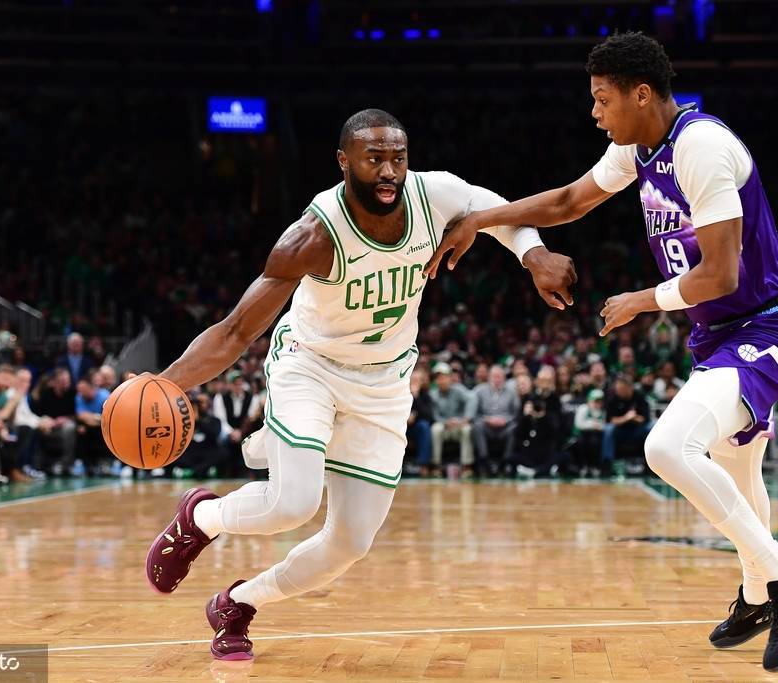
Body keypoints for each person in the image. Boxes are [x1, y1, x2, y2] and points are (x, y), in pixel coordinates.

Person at [425, 33, 778, 673]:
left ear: (641, 94)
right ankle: (757, 594)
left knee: (666, 449)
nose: (594, 112)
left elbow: (721, 273)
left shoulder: (700, 146)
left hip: (766, 328)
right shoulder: (636, 149)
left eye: (601, 98)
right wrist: (482, 220)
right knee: (740, 471)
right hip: (719, 334)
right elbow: (569, 201)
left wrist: (642, 300)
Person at [143, 109, 577, 661]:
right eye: (374, 159)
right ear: (344, 163)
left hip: (384, 383)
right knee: (293, 504)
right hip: (311, 366)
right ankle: (200, 518)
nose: (389, 170)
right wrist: (162, 384)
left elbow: (499, 211)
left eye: (398, 157)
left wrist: (534, 255)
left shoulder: (435, 195)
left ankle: (237, 603)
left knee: (349, 543)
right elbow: (235, 332)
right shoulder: (312, 236)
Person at [429, 361, 476, 476]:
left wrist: (466, 418)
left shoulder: (458, 390)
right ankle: (436, 466)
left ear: (450, 378)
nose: (442, 380)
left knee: (467, 429)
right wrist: (445, 422)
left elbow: (472, 399)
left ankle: (466, 466)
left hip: (459, 425)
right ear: (435, 380)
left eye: (444, 377)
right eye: (438, 378)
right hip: (444, 426)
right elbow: (434, 414)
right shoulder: (433, 394)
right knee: (435, 429)